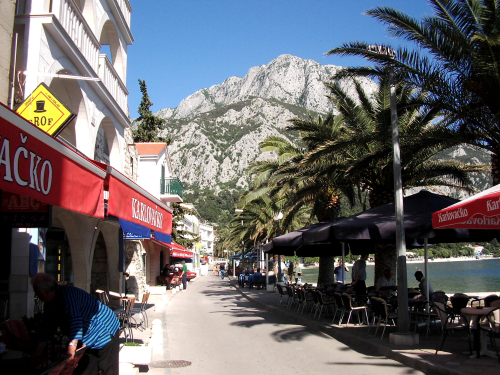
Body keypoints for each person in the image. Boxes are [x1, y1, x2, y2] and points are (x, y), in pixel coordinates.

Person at [31, 273, 120, 374]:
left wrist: (71, 348)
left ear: (47, 292)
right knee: (86, 370)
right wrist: (37, 353)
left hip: (105, 327)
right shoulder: (49, 303)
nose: (36, 296)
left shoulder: (67, 295)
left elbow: (75, 320)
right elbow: (47, 328)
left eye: (37, 292)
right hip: (88, 335)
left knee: (107, 368)